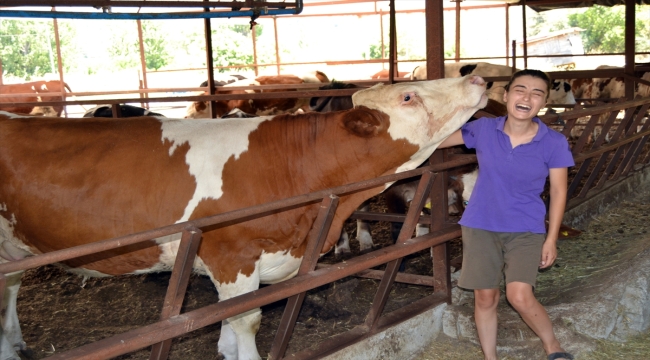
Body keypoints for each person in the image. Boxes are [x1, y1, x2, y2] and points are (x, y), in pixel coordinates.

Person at [439, 69, 575, 360]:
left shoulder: (553, 142)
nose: (527, 97)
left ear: (543, 102)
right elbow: (434, 140)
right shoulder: (484, 129)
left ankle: (553, 346)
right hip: (480, 225)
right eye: (520, 90)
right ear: (506, 96)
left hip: (525, 227)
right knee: (485, 296)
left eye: (536, 93)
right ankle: (491, 358)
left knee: (519, 296)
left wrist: (551, 239)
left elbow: (560, 192)